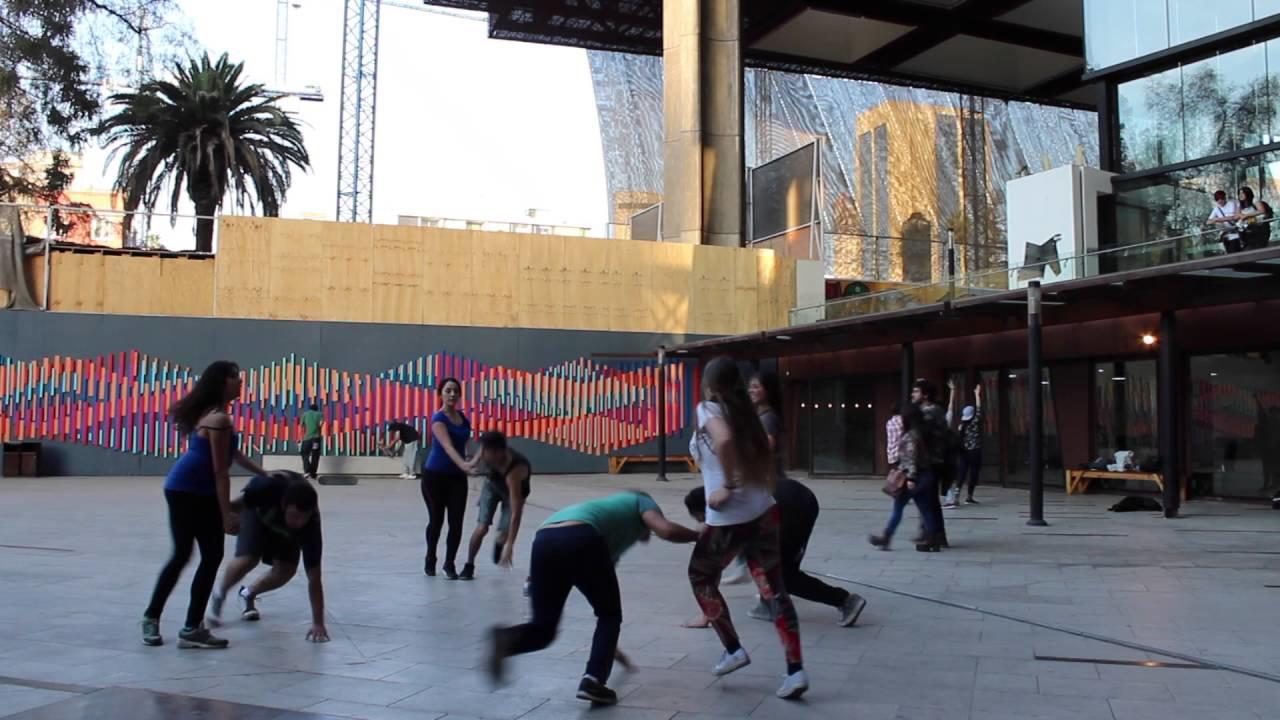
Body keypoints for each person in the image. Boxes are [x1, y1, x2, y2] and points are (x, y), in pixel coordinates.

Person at [487, 491, 699, 706]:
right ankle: (593, 681)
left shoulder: (612, 524)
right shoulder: (642, 500)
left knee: (544, 629)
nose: (647, 536)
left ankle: (507, 640)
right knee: (610, 615)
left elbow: (600, 592)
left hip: (544, 539)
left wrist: (607, 649)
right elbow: (666, 530)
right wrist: (698, 536)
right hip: (580, 535)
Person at [686, 356, 809, 700]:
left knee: (700, 576)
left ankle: (733, 649)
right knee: (775, 591)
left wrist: (726, 485)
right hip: (764, 513)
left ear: (709, 384)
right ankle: (795, 671)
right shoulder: (747, 414)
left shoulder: (708, 409)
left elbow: (722, 441)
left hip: (730, 519)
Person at [142, 360, 268, 649]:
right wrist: (226, 514)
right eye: (236, 378)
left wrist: (264, 474)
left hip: (193, 490)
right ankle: (155, 618)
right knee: (187, 556)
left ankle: (190, 628)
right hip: (187, 491)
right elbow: (220, 471)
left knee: (207, 558)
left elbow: (232, 455)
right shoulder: (218, 419)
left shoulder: (216, 415)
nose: (241, 383)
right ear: (223, 381)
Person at [684, 483, 866, 627]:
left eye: (699, 518)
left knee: (784, 576)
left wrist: (707, 616)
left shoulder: (724, 514)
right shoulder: (726, 495)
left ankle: (845, 601)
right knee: (771, 561)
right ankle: (769, 604)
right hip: (799, 496)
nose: (702, 523)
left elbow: (713, 570)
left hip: (789, 507)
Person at [207, 471, 328, 643]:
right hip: (257, 514)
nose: (298, 522)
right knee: (248, 558)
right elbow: (231, 506)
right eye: (295, 516)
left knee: (286, 570)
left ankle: (247, 593)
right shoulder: (266, 488)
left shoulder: (310, 528)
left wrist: (318, 623)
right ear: (285, 505)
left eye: (304, 518)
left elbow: (314, 578)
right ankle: (220, 593)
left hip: (282, 527)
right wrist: (226, 519)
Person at [869, 403, 942, 552]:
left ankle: (887, 537)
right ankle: (933, 539)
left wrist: (911, 478)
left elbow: (911, 458)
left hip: (914, 478)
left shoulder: (911, 435)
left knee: (900, 507)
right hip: (924, 476)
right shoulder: (921, 432)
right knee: (924, 508)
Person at [422, 377, 474, 579]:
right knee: (436, 520)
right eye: (448, 390)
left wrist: (468, 458)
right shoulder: (438, 419)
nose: (452, 394)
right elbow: (447, 446)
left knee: (456, 521)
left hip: (457, 478)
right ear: (440, 394)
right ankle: (430, 556)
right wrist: (463, 464)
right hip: (434, 477)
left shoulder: (463, 418)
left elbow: (464, 443)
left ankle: (449, 562)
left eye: (455, 391)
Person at [461, 431, 530, 581]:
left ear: (500, 452)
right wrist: (471, 464)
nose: (485, 456)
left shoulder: (514, 470)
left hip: (512, 494)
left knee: (502, 535)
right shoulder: (487, 451)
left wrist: (510, 546)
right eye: (483, 451)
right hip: (492, 486)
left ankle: (499, 543)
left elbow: (516, 514)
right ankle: (469, 564)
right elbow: (480, 452)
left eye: (488, 453)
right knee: (481, 527)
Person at [912, 379, 950, 546]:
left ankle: (932, 535)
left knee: (927, 499)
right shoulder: (929, 410)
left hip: (931, 461)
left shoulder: (932, 411)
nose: (913, 395)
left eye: (916, 391)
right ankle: (935, 534)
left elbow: (918, 434)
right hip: (931, 460)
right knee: (930, 500)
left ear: (925, 394)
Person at [954, 385, 985, 505]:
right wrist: (977, 394)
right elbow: (978, 409)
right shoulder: (975, 422)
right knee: (974, 472)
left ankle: (956, 494)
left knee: (962, 472)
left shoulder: (961, 425)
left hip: (963, 452)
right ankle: (969, 495)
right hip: (975, 451)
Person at [1237, 186, 1274, 250]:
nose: (1241, 195)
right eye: (1239, 194)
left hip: (1260, 229)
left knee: (1259, 248)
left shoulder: (1255, 200)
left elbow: (1262, 211)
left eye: (1242, 193)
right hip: (1248, 231)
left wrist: (1247, 215)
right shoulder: (1241, 205)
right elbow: (1237, 215)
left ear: (1248, 193)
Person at [299, 402, 323, 480]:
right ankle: (313, 474)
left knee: (304, 453)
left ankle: (307, 471)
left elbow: (301, 425)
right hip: (316, 439)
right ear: (316, 409)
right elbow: (320, 424)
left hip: (307, 438)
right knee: (315, 455)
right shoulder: (320, 414)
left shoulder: (305, 414)